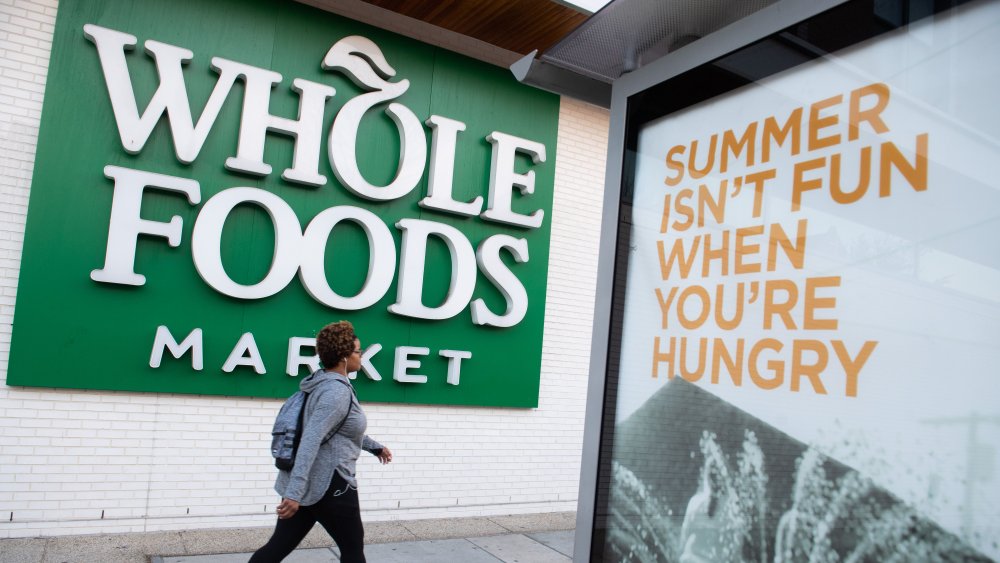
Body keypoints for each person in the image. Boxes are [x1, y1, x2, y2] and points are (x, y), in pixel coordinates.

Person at [250, 321, 392, 563]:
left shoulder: (319, 383)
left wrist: (373, 446)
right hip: (331, 484)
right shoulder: (336, 392)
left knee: (277, 547)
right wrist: (294, 494)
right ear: (344, 357)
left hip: (309, 484)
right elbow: (310, 439)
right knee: (353, 550)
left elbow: (340, 430)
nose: (361, 356)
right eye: (358, 351)